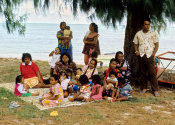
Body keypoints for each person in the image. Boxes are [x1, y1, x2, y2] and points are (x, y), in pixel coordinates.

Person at [133, 18, 160, 97]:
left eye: (148, 24)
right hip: (141, 55)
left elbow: (157, 45)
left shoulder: (153, 33)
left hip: (149, 55)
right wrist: (136, 52)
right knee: (142, 72)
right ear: (142, 25)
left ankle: (155, 90)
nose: (147, 26)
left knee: (152, 73)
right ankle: (144, 87)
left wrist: (153, 54)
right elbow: (135, 44)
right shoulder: (138, 34)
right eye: (146, 24)